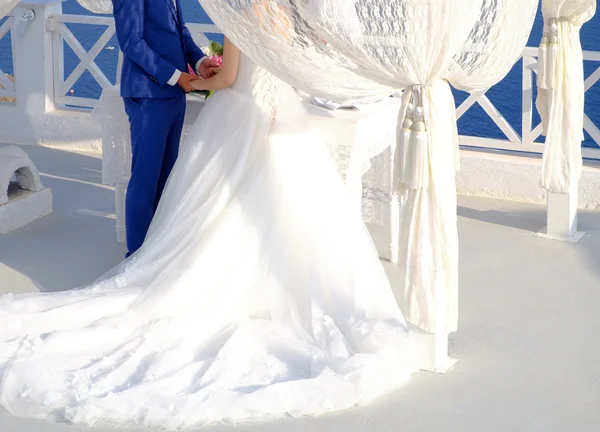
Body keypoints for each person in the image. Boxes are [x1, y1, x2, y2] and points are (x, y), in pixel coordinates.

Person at [0, 38, 415, 429]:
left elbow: (230, 79)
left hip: (241, 115)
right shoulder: (288, 18)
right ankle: (273, 276)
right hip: (285, 120)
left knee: (213, 203)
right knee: (285, 206)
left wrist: (200, 81)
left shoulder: (242, 14)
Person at [112, 0, 219, 257]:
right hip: (148, 95)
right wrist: (175, 76)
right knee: (145, 180)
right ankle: (135, 257)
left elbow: (179, 31)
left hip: (174, 95)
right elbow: (131, 42)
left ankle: (157, 250)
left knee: (167, 179)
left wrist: (200, 60)